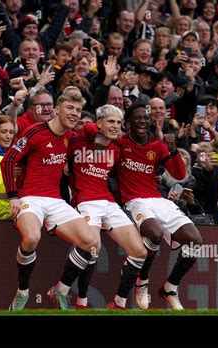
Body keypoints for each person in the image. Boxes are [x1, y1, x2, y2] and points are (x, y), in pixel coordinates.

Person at [86, 104, 203, 310]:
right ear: (128, 122)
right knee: (155, 233)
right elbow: (91, 131)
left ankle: (170, 288)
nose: (142, 121)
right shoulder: (120, 143)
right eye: (137, 118)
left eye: (145, 118)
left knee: (195, 241)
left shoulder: (157, 145)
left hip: (157, 199)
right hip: (134, 201)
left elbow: (179, 174)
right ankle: (143, 281)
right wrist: (98, 137)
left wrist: (173, 149)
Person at [0, 93, 97, 310]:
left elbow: (95, 139)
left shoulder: (70, 136)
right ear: (57, 109)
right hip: (30, 198)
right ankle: (22, 292)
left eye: (78, 110)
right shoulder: (35, 131)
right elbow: (8, 161)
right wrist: (13, 197)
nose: (74, 114)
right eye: (70, 108)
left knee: (91, 243)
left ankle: (60, 289)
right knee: (32, 238)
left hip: (55, 200)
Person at [68, 104, 147, 309]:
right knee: (93, 247)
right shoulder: (78, 140)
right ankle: (81, 300)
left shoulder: (117, 148)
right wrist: (94, 133)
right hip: (85, 201)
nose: (115, 126)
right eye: (111, 121)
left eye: (119, 123)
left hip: (108, 202)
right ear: (99, 122)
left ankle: (119, 302)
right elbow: (85, 128)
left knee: (139, 251)